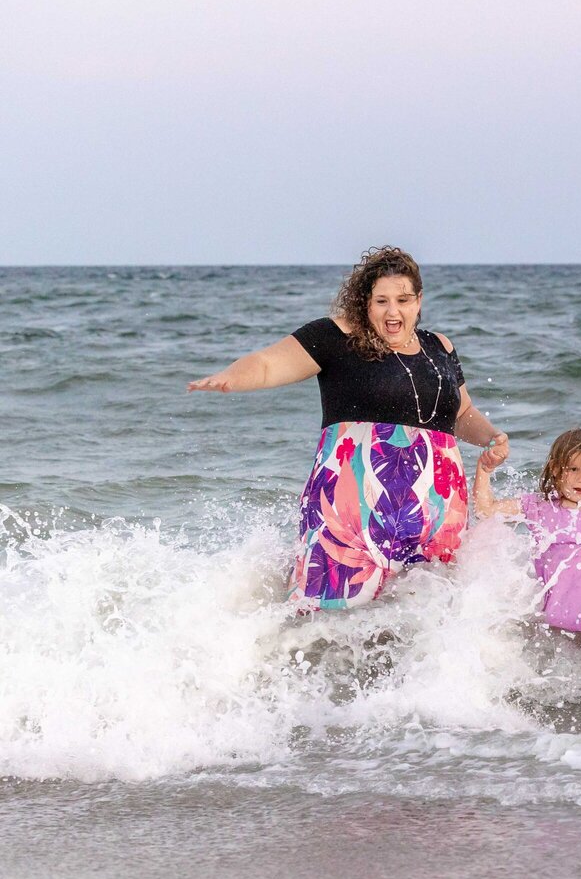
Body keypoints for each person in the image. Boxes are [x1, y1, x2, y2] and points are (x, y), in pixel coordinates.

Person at [188, 246, 509, 610]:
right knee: (321, 620)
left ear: (419, 301)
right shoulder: (336, 338)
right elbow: (266, 363)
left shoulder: (440, 347)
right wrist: (229, 378)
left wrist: (492, 437)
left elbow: (460, 412)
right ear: (365, 302)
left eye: (403, 300)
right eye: (381, 301)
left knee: (425, 622)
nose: (393, 312)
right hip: (351, 512)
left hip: (437, 512)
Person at [474, 428, 581, 640]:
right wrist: (484, 470)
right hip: (556, 629)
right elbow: (485, 511)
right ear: (555, 468)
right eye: (573, 469)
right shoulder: (539, 506)